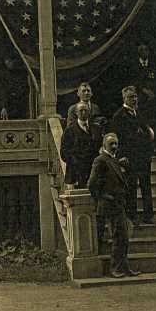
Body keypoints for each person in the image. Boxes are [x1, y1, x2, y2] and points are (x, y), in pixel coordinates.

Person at [87, 133, 140, 278]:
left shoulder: (114, 159)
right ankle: (115, 268)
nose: (114, 146)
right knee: (119, 236)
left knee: (124, 237)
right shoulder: (100, 160)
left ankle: (124, 267)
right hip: (110, 204)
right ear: (104, 145)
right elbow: (91, 184)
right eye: (111, 144)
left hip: (120, 203)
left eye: (116, 143)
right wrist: (104, 197)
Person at [109, 86, 156, 226]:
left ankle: (148, 216)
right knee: (131, 188)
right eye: (130, 97)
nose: (134, 99)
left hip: (143, 157)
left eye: (135, 96)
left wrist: (149, 151)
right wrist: (120, 156)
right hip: (129, 158)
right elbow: (115, 139)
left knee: (146, 186)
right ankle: (132, 217)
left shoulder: (139, 114)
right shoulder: (118, 116)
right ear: (124, 98)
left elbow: (147, 134)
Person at [61, 101, 104, 242]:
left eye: (86, 110)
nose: (84, 113)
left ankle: (99, 237)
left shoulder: (96, 129)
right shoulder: (70, 131)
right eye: (81, 111)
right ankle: (83, 239)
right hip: (77, 173)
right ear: (76, 113)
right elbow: (64, 153)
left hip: (93, 172)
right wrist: (76, 161)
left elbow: (101, 148)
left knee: (97, 204)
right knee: (80, 205)